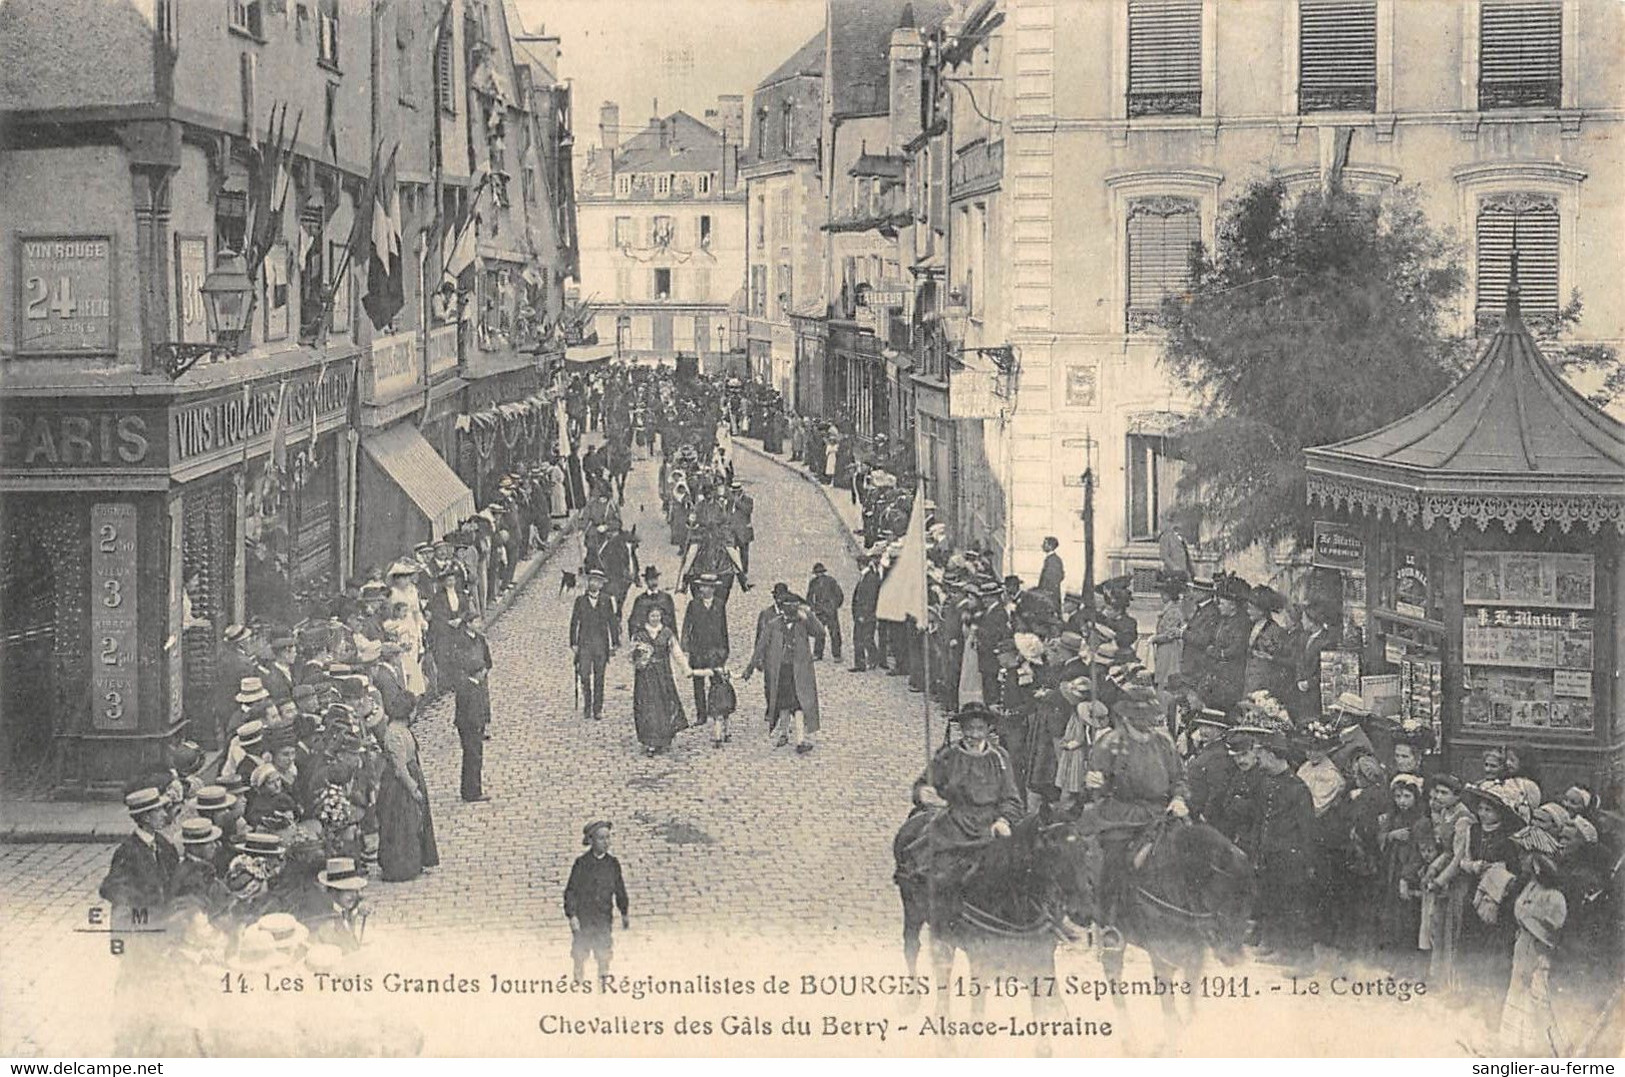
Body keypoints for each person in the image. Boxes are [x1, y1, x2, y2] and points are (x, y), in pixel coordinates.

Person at [1076, 684, 1189, 927]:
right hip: (1121, 815)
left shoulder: (1164, 743)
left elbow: (1179, 778)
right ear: (1127, 716)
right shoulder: (1110, 744)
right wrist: (1095, 782)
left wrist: (1179, 798)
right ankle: (1109, 923)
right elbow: (1096, 784)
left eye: (1150, 717)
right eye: (1141, 717)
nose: (1147, 722)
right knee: (1114, 863)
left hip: (1161, 813)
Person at [904, 703, 1025, 908]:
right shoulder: (948, 755)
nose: (974, 735)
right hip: (955, 821)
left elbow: (1011, 798)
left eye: (979, 729)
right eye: (969, 729)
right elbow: (924, 783)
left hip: (990, 823)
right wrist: (924, 792)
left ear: (988, 730)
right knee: (934, 863)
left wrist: (1004, 820)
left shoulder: (1000, 758)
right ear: (962, 729)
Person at [741, 590, 825, 755]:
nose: (792, 610)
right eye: (789, 607)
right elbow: (761, 646)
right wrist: (750, 668)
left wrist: (809, 615)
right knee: (784, 704)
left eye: (795, 607)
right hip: (780, 670)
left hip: (800, 671)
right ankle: (784, 733)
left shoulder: (803, 623)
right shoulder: (773, 624)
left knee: (799, 704)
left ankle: (800, 740)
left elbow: (820, 633)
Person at [1376, 773, 1432, 976]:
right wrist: (1391, 835)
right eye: (1398, 797)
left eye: (1407, 796)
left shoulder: (1422, 822)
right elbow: (1380, 836)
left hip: (1409, 874)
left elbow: (1420, 854)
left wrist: (1406, 878)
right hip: (1391, 871)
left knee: (1409, 919)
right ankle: (1394, 960)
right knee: (1392, 917)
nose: (1402, 801)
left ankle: (1409, 966)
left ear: (1416, 798)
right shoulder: (1393, 817)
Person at [376, 701, 439, 883]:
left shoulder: (402, 729)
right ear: (409, 712)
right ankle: (401, 866)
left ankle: (415, 861)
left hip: (412, 775)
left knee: (414, 822)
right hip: (399, 787)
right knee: (403, 823)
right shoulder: (395, 733)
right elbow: (399, 768)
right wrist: (413, 788)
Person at [564, 821, 630, 983]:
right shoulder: (581, 864)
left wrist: (624, 912)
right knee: (580, 953)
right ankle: (578, 981)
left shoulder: (612, 864)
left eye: (608, 838)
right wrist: (572, 916)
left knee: (604, 952)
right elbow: (570, 891)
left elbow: (619, 889)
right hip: (584, 919)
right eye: (601, 838)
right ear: (591, 840)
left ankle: (603, 983)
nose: (606, 842)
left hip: (603, 918)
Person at [629, 604, 693, 756]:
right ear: (647, 617)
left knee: (664, 705)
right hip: (645, 677)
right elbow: (632, 655)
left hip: (663, 674)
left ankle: (664, 738)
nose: (655, 619)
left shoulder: (666, 633)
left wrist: (685, 668)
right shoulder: (640, 634)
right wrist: (639, 660)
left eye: (657, 616)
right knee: (648, 707)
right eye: (652, 616)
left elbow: (676, 652)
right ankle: (650, 741)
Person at [448, 613, 493, 802]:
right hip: (469, 711)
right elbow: (456, 667)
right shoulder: (459, 642)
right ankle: (472, 791)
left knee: (476, 752)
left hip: (478, 692)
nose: (480, 624)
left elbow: (488, 661)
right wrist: (472, 678)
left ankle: (473, 789)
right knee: (472, 752)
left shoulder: (481, 640)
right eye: (476, 621)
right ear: (467, 624)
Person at [569, 569, 620, 721]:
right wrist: (573, 643)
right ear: (588, 582)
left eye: (597, 581)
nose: (594, 583)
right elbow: (574, 622)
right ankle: (587, 704)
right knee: (584, 675)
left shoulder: (606, 600)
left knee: (600, 677)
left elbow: (612, 622)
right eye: (592, 580)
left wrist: (615, 642)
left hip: (601, 645)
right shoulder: (580, 601)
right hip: (585, 644)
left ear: (601, 584)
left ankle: (597, 708)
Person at [680, 574, 729, 731]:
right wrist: (686, 646)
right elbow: (687, 626)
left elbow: (723, 628)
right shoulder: (693, 605)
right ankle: (701, 714)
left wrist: (724, 650)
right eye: (701, 586)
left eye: (706, 586)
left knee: (716, 682)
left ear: (713, 588)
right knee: (698, 683)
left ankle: (716, 710)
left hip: (715, 649)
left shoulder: (720, 605)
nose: (703, 589)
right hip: (698, 649)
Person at [1149, 571, 1187, 691]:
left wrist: (1155, 638)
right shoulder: (1169, 609)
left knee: (1166, 679)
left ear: (1170, 594)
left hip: (1170, 650)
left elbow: (1169, 635)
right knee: (1161, 677)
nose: (1161, 595)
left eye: (1164, 593)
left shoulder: (1174, 611)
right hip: (1164, 649)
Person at [849, 556, 882, 673]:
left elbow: (870, 598)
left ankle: (873, 659)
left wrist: (864, 614)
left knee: (866, 639)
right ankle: (861, 663)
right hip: (860, 613)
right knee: (859, 639)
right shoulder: (865, 577)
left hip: (866, 615)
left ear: (861, 564)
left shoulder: (870, 578)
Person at [806, 562, 845, 663]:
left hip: (830, 611)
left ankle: (836, 654)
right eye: (817, 573)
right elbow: (809, 597)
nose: (819, 575)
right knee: (819, 632)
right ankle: (818, 654)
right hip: (820, 611)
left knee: (834, 633)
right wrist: (813, 607)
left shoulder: (831, 581)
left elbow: (839, 595)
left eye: (820, 573)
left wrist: (834, 606)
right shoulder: (813, 583)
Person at [626, 565, 676, 641]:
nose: (654, 582)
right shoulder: (640, 600)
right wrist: (636, 639)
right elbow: (633, 622)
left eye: (655, 579)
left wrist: (675, 641)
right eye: (651, 579)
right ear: (646, 581)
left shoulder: (666, 598)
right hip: (646, 639)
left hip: (663, 640)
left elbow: (672, 622)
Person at [1037, 537, 1065, 608]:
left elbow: (1055, 578)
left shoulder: (1053, 560)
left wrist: (1045, 591)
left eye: (1045, 543)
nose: (1042, 545)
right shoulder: (1051, 559)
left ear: (1050, 546)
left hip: (1049, 594)